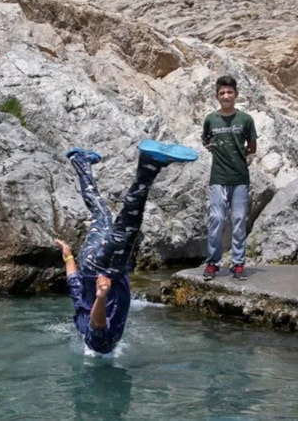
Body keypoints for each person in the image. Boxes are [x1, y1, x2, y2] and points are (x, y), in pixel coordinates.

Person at [54, 139, 198, 354]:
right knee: (101, 214)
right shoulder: (80, 317)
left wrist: (102, 296)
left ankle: (149, 165)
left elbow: (98, 325)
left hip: (106, 269)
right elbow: (73, 282)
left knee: (128, 225)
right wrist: (68, 256)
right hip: (87, 261)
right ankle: (80, 161)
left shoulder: (100, 345)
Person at [201, 75, 257, 281]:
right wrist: (213, 149)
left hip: (240, 178)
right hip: (218, 177)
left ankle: (238, 263)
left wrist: (243, 154)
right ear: (217, 96)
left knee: (239, 220)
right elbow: (205, 139)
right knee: (216, 218)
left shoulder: (245, 120)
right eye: (222, 93)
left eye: (229, 92)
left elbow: (252, 146)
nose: (226, 96)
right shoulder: (211, 120)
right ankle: (213, 263)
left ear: (236, 95)